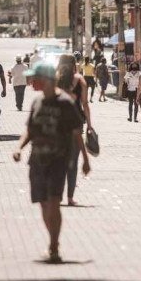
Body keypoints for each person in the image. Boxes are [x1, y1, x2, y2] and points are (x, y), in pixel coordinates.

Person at [12, 61, 89, 263]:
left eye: (34, 79)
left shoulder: (65, 102)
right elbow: (30, 129)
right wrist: (19, 147)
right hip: (37, 160)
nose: (30, 83)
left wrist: (86, 159)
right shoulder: (37, 102)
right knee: (43, 203)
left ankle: (54, 246)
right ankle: (53, 240)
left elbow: (76, 132)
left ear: (45, 80)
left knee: (54, 201)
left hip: (58, 159)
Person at [57, 54, 93, 206]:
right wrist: (89, 124)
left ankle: (57, 196)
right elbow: (84, 103)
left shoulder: (55, 79)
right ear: (74, 65)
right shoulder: (79, 80)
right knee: (72, 161)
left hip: (57, 124)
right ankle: (70, 197)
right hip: (76, 123)